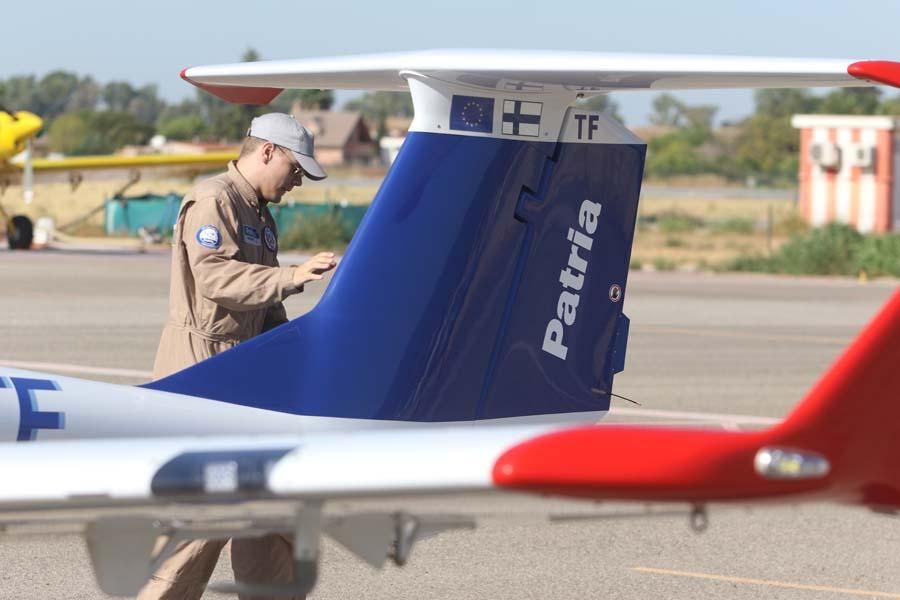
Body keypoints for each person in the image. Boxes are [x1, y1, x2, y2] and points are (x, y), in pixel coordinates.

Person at [140, 113, 336, 600]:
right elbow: (216, 279)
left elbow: (265, 310)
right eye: (294, 169)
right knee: (200, 522)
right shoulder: (214, 199)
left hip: (245, 375)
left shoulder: (260, 216)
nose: (296, 182)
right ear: (267, 150)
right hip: (200, 369)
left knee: (274, 514)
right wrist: (290, 276)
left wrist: (302, 356)